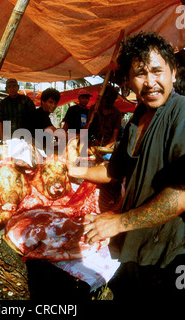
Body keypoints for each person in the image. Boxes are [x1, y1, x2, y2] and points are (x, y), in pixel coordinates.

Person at [68, 32, 185, 301]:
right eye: (140, 73)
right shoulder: (137, 117)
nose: (150, 82)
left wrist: (119, 222)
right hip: (134, 247)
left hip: (167, 256)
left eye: (157, 71)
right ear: (129, 81)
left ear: (173, 73)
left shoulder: (182, 112)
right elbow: (113, 171)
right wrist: (76, 172)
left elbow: (181, 196)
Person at [33, 87, 65, 153]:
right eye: (50, 102)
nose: (53, 105)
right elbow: (55, 132)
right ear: (43, 101)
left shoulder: (45, 115)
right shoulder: (40, 114)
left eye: (55, 103)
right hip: (36, 151)